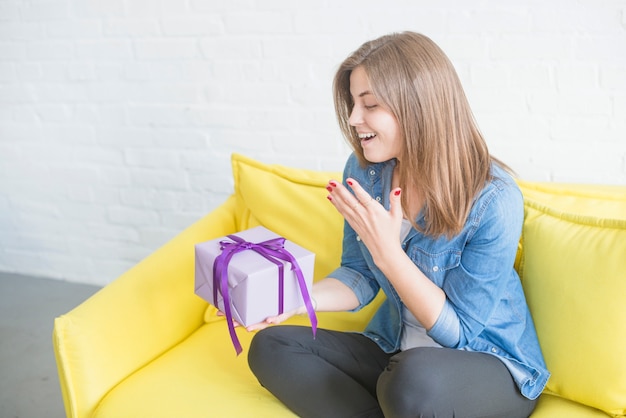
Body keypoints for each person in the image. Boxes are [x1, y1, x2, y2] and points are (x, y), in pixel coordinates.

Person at [246, 31, 549, 418]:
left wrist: (390, 254)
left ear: (418, 107)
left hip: (488, 365)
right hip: (396, 350)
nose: (355, 119)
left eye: (369, 105)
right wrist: (293, 298)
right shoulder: (366, 172)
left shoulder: (494, 198)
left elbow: (459, 333)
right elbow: (358, 276)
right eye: (353, 104)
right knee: (273, 347)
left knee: (410, 381)